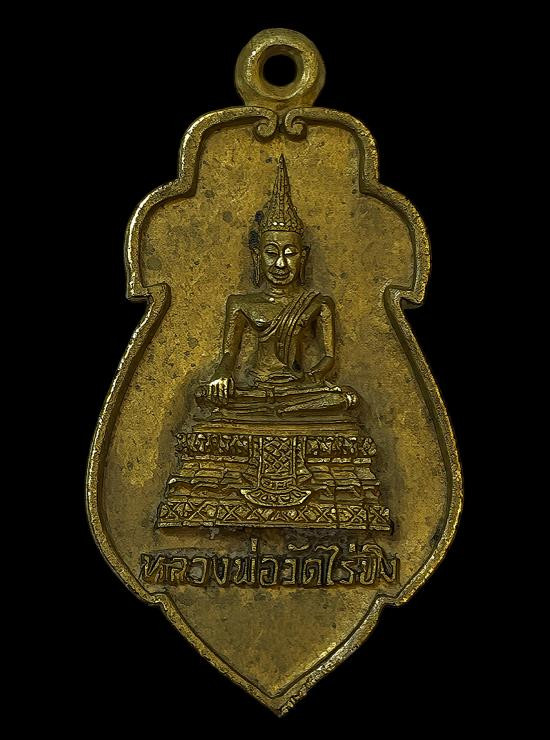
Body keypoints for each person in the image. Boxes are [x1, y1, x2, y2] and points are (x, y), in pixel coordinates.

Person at [197, 155, 358, 419]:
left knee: (346, 398)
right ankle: (275, 409)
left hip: (297, 389)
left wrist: (309, 379)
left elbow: (329, 357)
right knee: (204, 395)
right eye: (272, 253)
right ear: (257, 256)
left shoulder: (318, 304)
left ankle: (277, 408)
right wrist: (221, 375)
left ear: (303, 257)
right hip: (254, 387)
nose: (281, 263)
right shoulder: (241, 304)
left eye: (290, 253)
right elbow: (228, 353)